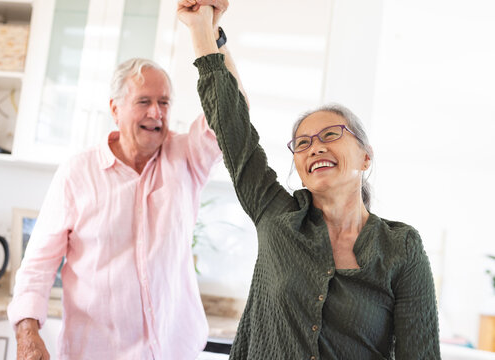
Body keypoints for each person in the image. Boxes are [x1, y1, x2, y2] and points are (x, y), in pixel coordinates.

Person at [178, 2, 441, 359]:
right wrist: (202, 29)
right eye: (303, 143)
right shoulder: (276, 217)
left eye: (331, 135)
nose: (315, 147)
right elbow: (232, 122)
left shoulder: (401, 248)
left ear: (366, 155)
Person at [8, 1, 243, 358]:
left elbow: (232, 111)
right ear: (115, 108)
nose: (156, 112)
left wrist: (211, 35)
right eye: (144, 101)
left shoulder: (186, 157)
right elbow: (38, 264)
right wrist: (28, 333)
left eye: (164, 102)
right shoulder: (77, 173)